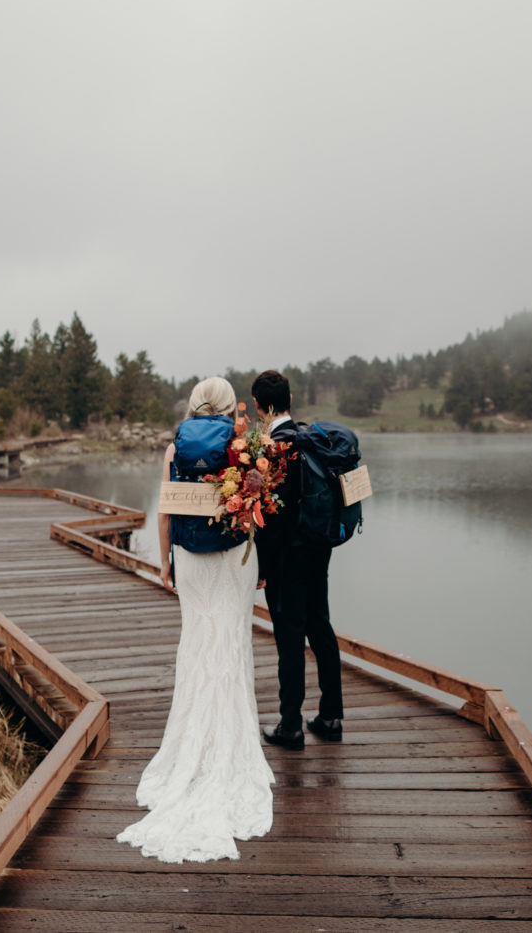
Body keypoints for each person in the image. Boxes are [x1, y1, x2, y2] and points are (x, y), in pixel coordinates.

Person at [117, 376, 275, 862]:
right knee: (232, 640)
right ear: (231, 407)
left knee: (198, 639)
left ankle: (187, 749)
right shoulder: (245, 445)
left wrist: (164, 561)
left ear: (192, 406)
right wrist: (262, 565)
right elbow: (258, 509)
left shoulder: (173, 449)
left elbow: (165, 513)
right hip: (232, 561)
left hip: (190, 557)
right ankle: (234, 744)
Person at [251, 369, 344, 750]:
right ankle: (331, 716)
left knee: (290, 639)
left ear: (259, 406)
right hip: (318, 551)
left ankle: (290, 726)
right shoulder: (310, 439)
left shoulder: (274, 449)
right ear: (289, 400)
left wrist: (262, 570)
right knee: (320, 627)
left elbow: (273, 520)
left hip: (288, 560)